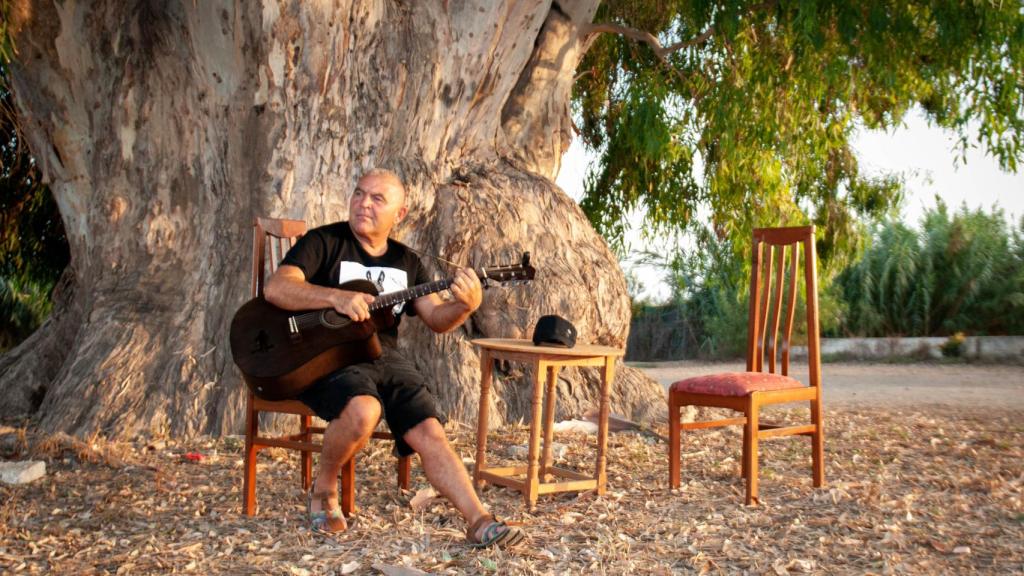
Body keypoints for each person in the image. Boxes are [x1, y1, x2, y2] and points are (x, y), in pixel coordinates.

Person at [263, 168, 524, 548]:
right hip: (327, 357)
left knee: (430, 429)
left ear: (399, 215)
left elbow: (436, 318)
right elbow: (277, 288)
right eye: (358, 193)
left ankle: (479, 520)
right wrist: (334, 297)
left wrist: (464, 308)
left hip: (384, 356)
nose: (363, 203)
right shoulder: (324, 241)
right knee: (364, 410)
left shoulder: (407, 261)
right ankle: (323, 488)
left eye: (376, 199)